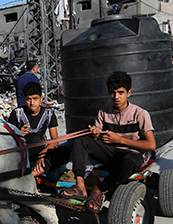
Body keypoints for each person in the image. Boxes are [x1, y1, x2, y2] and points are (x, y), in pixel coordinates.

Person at [62, 71, 156, 212]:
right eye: (112, 92)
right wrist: (94, 134)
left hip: (131, 154)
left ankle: (99, 190)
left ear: (128, 93)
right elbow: (97, 137)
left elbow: (151, 145)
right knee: (80, 138)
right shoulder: (104, 112)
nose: (116, 97)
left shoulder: (140, 114)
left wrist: (120, 140)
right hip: (111, 152)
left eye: (120, 92)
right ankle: (80, 185)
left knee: (131, 160)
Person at [7, 82, 70, 177]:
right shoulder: (17, 114)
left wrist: (43, 153)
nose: (32, 103)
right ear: (24, 99)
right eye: (28, 99)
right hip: (23, 152)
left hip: (40, 151)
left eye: (35, 98)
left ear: (41, 98)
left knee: (64, 152)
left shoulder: (49, 114)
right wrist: (18, 134)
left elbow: (55, 141)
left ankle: (29, 176)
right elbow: (7, 140)